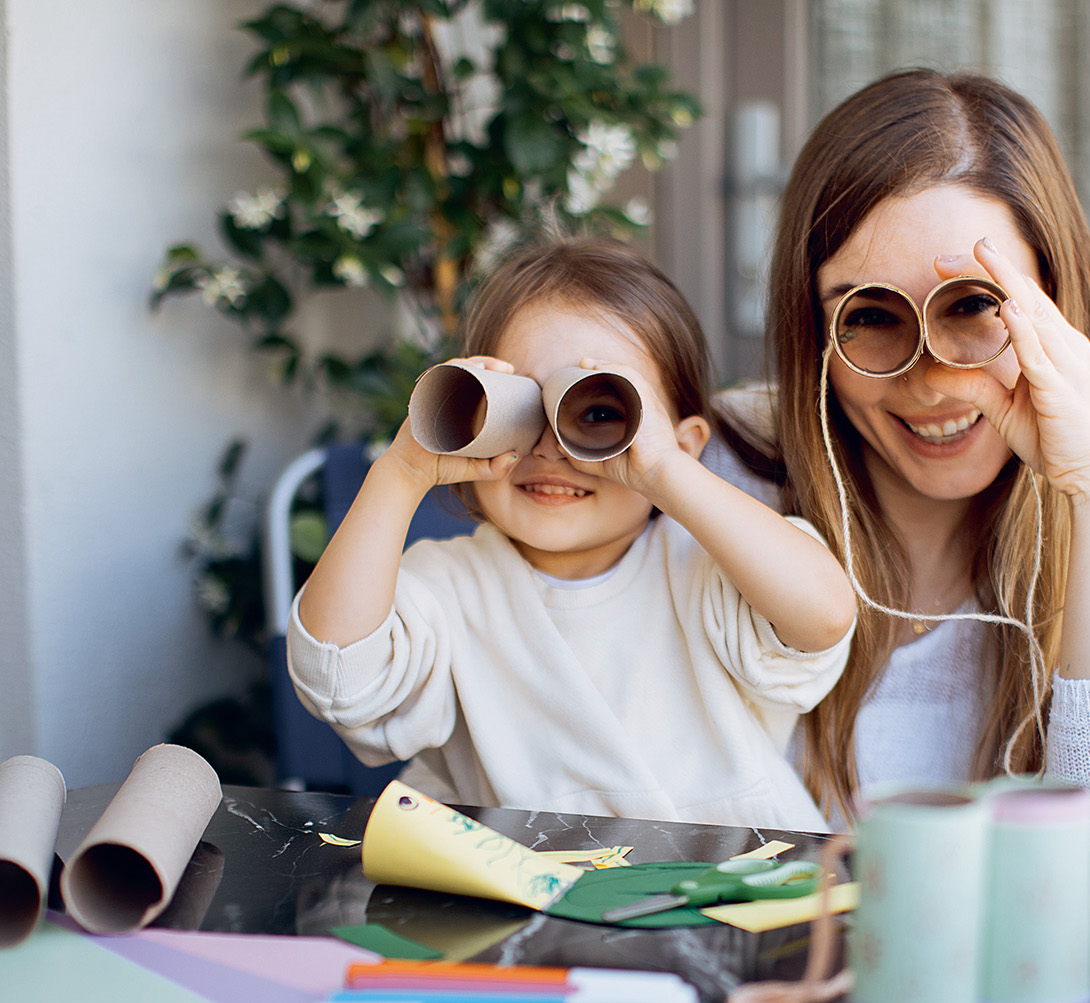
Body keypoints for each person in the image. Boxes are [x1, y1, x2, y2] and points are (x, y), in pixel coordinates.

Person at [712, 69, 1090, 854]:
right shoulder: (720, 491)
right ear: (812, 335)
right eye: (870, 316)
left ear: (1057, 307)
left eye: (972, 306)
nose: (931, 377)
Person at [287, 238, 856, 832]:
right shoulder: (448, 587)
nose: (550, 446)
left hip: (724, 892)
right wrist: (401, 473)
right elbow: (338, 678)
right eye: (521, 409)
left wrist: (665, 471)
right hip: (526, 900)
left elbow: (822, 616)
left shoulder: (706, 573)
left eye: (601, 411)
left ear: (683, 445)